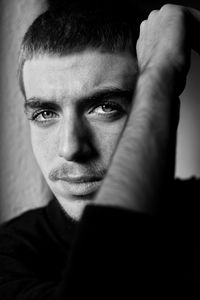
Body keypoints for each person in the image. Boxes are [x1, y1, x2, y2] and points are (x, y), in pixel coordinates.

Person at [0, 1, 200, 298]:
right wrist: (161, 69)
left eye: (105, 107)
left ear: (153, 102)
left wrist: (161, 73)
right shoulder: (8, 257)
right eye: (44, 113)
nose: (70, 148)